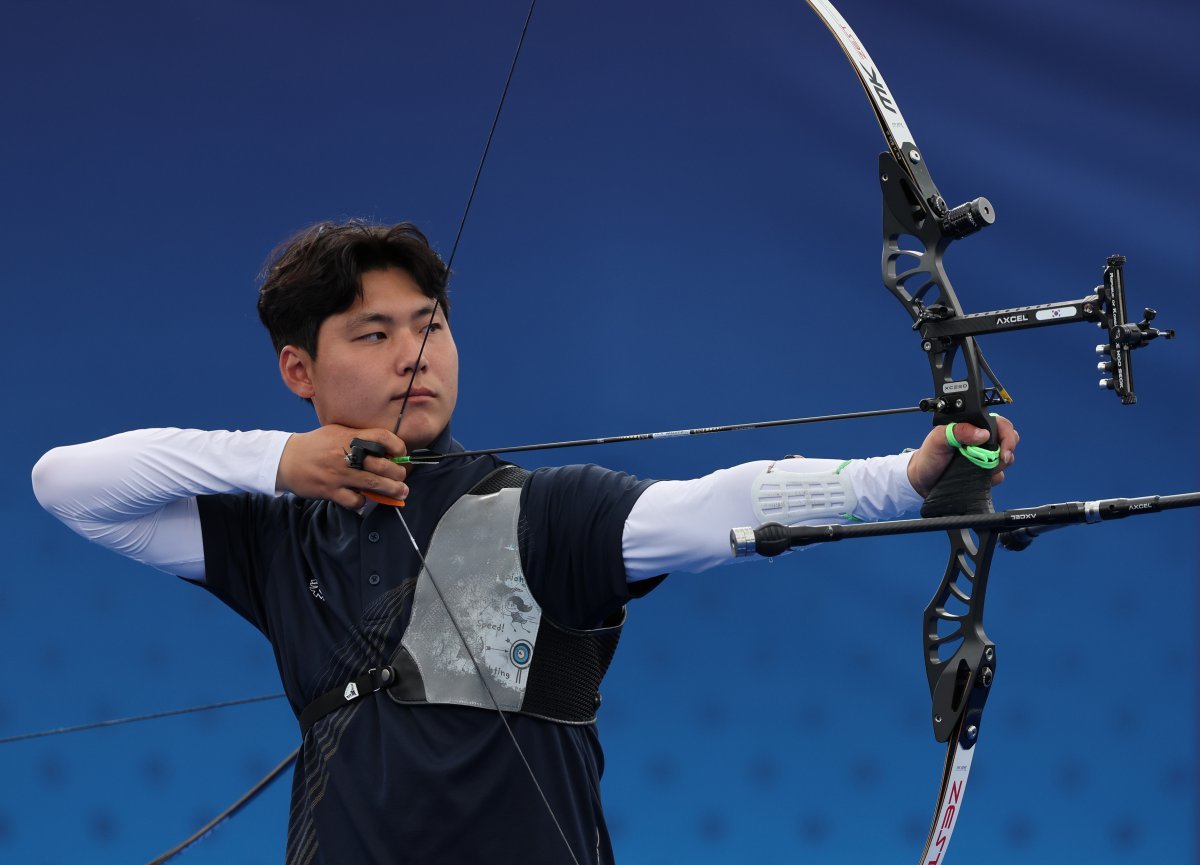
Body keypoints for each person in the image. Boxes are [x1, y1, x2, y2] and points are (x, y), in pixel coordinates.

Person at [31, 221, 1018, 865]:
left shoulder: (545, 512)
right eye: (372, 334)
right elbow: (69, 484)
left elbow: (710, 505)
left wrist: (907, 476)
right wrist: (283, 461)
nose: (415, 353)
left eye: (430, 324)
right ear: (301, 368)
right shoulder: (277, 535)